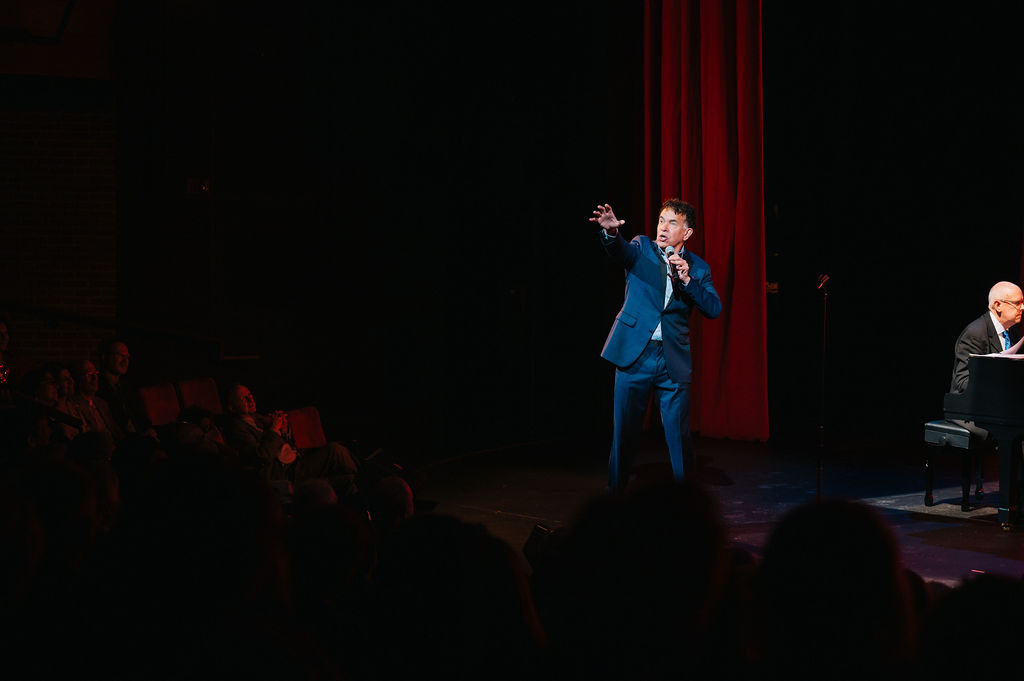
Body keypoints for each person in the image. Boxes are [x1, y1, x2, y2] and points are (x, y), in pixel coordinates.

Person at [592, 199, 721, 493]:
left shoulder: (698, 268)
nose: (663, 227)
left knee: (679, 435)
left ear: (687, 233)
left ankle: (686, 503)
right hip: (635, 354)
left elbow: (714, 308)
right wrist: (611, 233)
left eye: (672, 222)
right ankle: (616, 497)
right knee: (623, 433)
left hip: (672, 359)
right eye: (662, 220)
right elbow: (619, 250)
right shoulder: (641, 248)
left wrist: (688, 280)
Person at [221, 383, 360, 499]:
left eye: (250, 395)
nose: (250, 400)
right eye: (243, 398)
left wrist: (283, 430)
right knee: (334, 450)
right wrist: (274, 429)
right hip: (285, 473)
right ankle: (367, 474)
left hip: (296, 460)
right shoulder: (236, 428)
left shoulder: (257, 418)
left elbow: (279, 442)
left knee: (348, 479)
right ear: (231, 407)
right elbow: (260, 455)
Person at [949, 280, 1024, 394]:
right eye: (1017, 303)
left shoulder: (1012, 330)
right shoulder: (975, 334)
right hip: (974, 408)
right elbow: (963, 382)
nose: (1022, 307)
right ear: (998, 305)